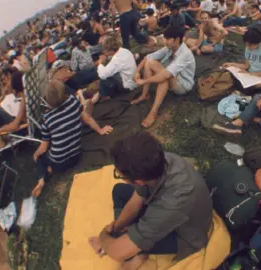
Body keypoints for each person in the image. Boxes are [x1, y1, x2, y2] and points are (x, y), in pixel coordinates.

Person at [88, 131, 213, 269]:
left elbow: (118, 253)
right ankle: (130, 242)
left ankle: (136, 251)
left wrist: (104, 237)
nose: (118, 176)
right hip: (167, 209)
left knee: (121, 248)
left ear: (139, 181)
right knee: (119, 191)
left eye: (119, 175)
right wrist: (115, 230)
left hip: (183, 235)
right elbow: (135, 203)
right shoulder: (160, 160)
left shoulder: (172, 203)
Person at [32, 80, 113, 197]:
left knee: (40, 157)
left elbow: (43, 148)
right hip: (76, 156)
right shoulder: (73, 102)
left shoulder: (47, 119)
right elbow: (88, 119)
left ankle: (42, 179)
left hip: (59, 162)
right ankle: (49, 169)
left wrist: (36, 154)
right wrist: (100, 130)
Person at [131, 27, 195, 128]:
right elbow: (147, 57)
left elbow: (165, 74)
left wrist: (144, 81)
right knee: (149, 62)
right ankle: (144, 95)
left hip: (183, 85)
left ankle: (153, 112)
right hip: (172, 76)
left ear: (177, 40)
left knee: (164, 77)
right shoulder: (170, 47)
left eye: (168, 39)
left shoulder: (185, 54)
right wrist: (137, 72)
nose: (165, 41)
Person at [97, 34, 138, 100]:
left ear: (109, 50)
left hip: (128, 86)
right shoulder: (124, 50)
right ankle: (102, 93)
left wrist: (100, 63)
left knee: (104, 78)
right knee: (109, 71)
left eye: (104, 50)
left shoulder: (116, 60)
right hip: (133, 79)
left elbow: (102, 75)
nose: (103, 52)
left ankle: (105, 96)